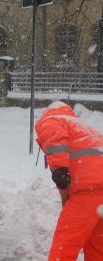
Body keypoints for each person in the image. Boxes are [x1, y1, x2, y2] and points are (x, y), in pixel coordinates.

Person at [35, 101, 103, 261]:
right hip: (99, 192)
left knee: (65, 243)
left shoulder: (52, 120)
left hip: (87, 193)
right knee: (97, 245)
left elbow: (56, 144)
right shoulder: (83, 129)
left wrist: (59, 170)